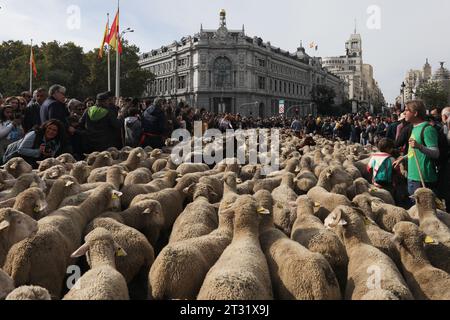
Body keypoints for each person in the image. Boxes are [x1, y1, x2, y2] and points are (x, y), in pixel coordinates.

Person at [393, 100, 440, 201]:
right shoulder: (414, 128)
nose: (404, 113)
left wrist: (420, 147)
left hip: (423, 178)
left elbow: (436, 153)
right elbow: (414, 151)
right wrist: (403, 158)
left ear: (415, 113)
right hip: (413, 176)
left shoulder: (427, 129)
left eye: (407, 110)